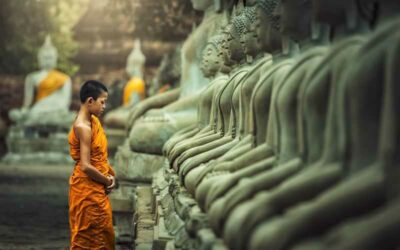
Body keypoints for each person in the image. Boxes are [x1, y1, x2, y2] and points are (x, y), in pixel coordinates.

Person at [68, 80, 116, 249]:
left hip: (96, 185)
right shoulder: (84, 127)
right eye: (102, 102)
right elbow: (86, 166)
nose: (104, 106)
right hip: (87, 188)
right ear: (90, 101)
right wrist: (107, 180)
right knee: (88, 235)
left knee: (103, 232)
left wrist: (110, 175)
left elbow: (100, 157)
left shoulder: (93, 121)